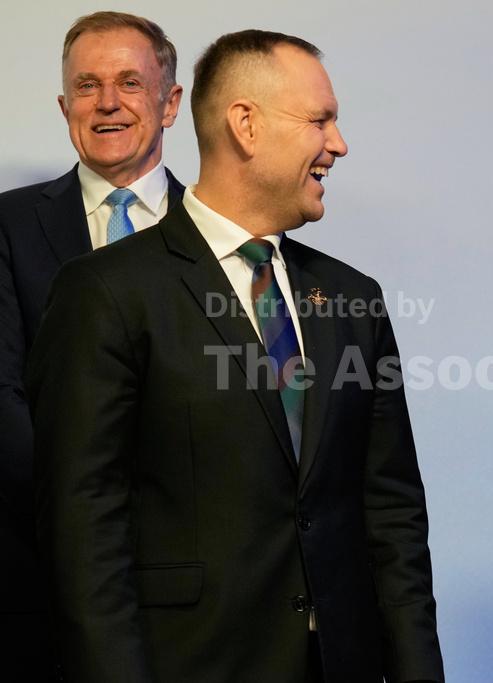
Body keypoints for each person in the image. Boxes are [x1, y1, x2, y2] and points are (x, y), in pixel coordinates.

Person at [28, 30, 443, 683]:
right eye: (320, 120)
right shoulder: (106, 291)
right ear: (245, 125)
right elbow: (84, 528)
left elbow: (392, 514)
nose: (338, 144)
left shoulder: (352, 297)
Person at [0, 11, 183, 678]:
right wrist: (87, 517)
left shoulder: (222, 234)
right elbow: (4, 397)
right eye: (87, 85)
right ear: (64, 106)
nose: (107, 102)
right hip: (39, 581)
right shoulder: (8, 225)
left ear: (170, 103)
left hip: (196, 585)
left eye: (130, 82)